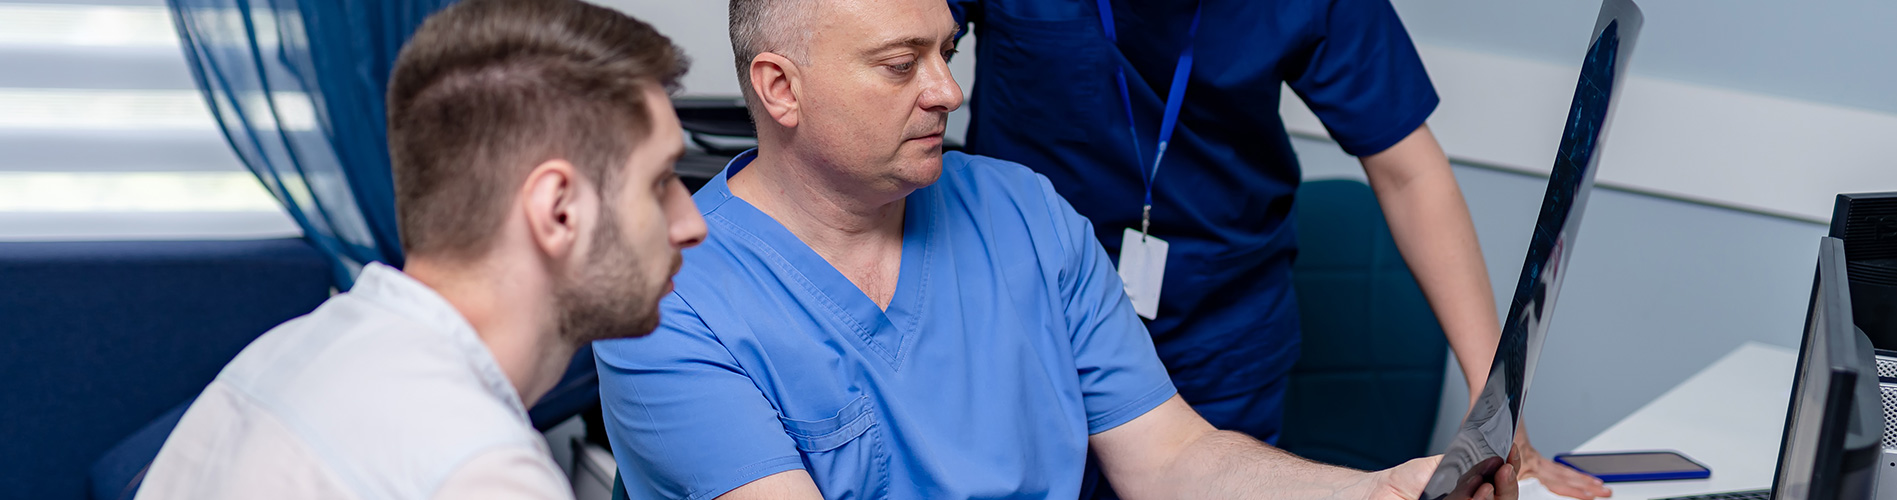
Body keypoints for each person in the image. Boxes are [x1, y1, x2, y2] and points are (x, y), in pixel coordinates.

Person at [591, 0, 1516, 498]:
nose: (948, 91)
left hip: (1223, 308)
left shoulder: (1025, 213)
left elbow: (1173, 460)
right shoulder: (672, 305)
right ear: (779, 89)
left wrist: (1371, 494)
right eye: (903, 64)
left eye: (947, 52)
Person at [948, 0, 1609, 498]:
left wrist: (1493, 397)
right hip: (1026, 319)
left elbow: (1411, 174)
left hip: (1219, 331)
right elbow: (896, 39)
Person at [132, 1, 707, 498]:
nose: (692, 223)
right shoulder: (479, 471)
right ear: (558, 210)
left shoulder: (282, 353)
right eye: (661, 182)